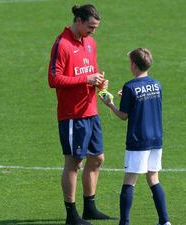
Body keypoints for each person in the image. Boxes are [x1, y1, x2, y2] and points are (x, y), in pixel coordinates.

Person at [48, 4, 112, 225]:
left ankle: (90, 208)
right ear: (78, 21)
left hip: (91, 111)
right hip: (72, 115)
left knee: (97, 159)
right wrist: (86, 79)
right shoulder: (62, 44)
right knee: (74, 163)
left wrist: (100, 83)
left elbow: (91, 72)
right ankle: (71, 214)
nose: (93, 31)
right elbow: (54, 79)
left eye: (95, 27)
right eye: (91, 27)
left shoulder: (90, 43)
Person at [100, 48, 171, 225]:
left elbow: (124, 115)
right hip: (156, 138)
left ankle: (124, 223)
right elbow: (146, 104)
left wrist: (110, 104)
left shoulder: (130, 86)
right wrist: (129, 99)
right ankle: (164, 221)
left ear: (134, 64)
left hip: (138, 139)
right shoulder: (157, 84)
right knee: (153, 178)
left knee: (130, 180)